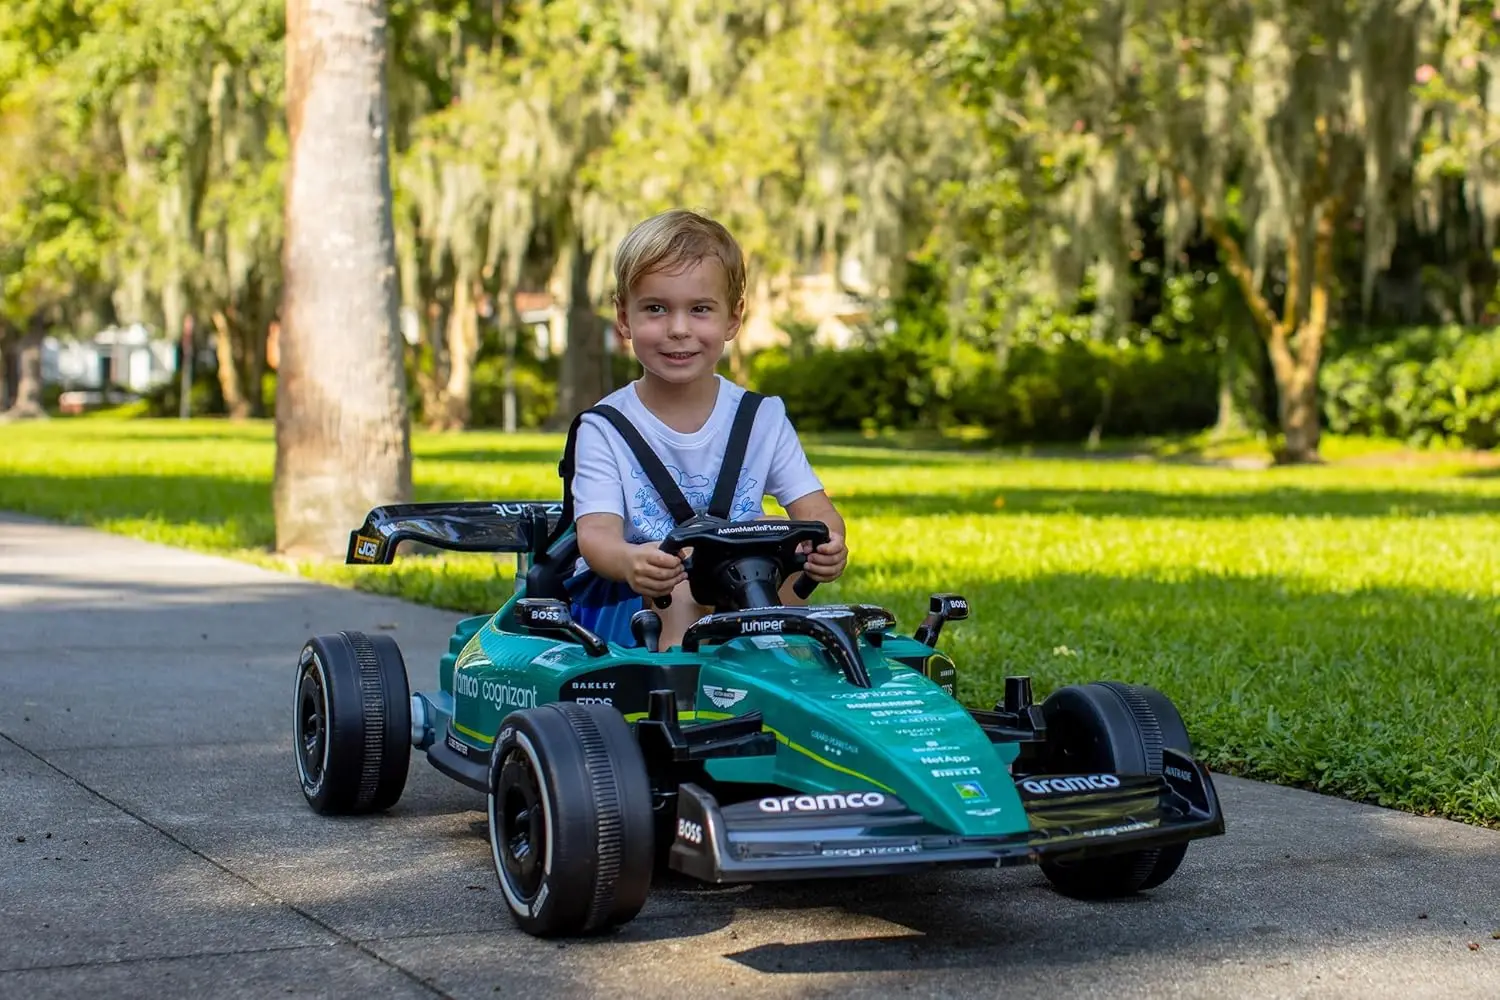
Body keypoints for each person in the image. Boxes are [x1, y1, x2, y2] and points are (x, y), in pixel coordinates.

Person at [562, 209, 848, 650]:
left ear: (733, 318)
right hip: (629, 599)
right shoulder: (605, 427)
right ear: (624, 318)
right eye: (656, 309)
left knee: (785, 550)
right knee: (679, 590)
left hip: (736, 587)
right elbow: (597, 537)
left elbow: (818, 514)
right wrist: (631, 560)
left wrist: (829, 547)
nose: (679, 329)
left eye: (699, 310)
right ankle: (682, 687)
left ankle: (780, 667)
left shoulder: (761, 417)